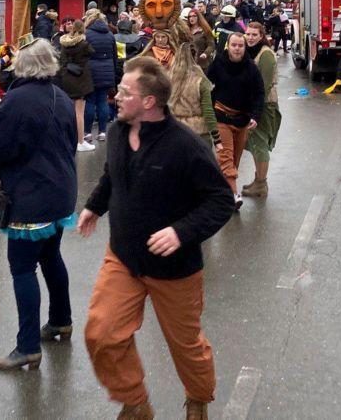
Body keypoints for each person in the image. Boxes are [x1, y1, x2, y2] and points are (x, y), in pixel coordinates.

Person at [79, 56, 235, 420]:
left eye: (124, 91)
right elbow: (111, 175)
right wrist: (94, 207)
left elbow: (220, 200)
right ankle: (135, 403)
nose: (115, 96)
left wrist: (182, 232)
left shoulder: (185, 146)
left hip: (174, 269)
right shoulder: (118, 131)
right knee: (101, 334)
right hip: (124, 257)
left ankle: (198, 400)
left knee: (186, 347)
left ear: (149, 102)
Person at [0, 40, 77, 370]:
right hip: (61, 190)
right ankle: (61, 319)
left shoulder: (17, 99)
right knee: (50, 256)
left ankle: (28, 345)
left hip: (32, 195)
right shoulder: (60, 96)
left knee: (22, 268)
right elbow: (72, 140)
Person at [207, 32, 265, 207]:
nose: (237, 49)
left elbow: (259, 93)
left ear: (245, 47)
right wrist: (209, 110)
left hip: (242, 120)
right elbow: (206, 87)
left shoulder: (251, 67)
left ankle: (222, 192)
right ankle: (234, 195)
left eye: (240, 46)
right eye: (234, 45)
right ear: (228, 46)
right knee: (226, 158)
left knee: (234, 160)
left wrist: (255, 115)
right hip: (221, 116)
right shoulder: (218, 63)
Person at [242, 23, 282, 201]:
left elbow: (263, 86)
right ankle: (258, 180)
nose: (250, 37)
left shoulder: (265, 54)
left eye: (254, 34)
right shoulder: (251, 51)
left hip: (264, 104)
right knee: (255, 143)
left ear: (261, 36)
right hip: (253, 103)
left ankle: (261, 184)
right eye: (248, 34)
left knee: (260, 143)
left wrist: (254, 110)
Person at [58, 20, 96, 151]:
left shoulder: (63, 43)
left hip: (67, 78)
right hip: (80, 79)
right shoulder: (84, 44)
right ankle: (80, 141)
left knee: (68, 111)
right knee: (79, 113)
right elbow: (92, 52)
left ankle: (69, 140)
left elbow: (61, 61)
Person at [84, 10, 118, 142]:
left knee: (90, 102)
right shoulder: (110, 35)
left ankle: (87, 132)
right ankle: (102, 132)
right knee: (103, 101)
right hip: (107, 71)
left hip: (91, 71)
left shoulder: (87, 34)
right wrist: (113, 73)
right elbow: (114, 56)